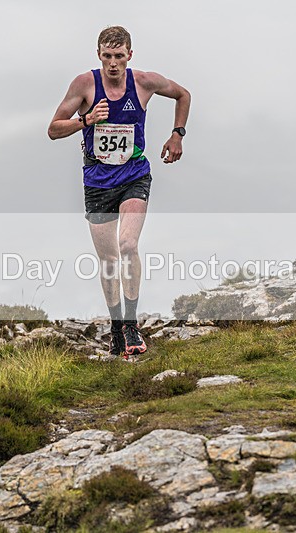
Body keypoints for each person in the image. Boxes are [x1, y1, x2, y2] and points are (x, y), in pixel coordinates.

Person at [48, 26, 190, 359]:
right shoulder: (84, 85)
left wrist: (177, 135)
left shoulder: (144, 82)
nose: (113, 63)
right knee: (109, 260)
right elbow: (53, 130)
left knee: (128, 244)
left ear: (130, 54)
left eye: (119, 56)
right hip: (97, 180)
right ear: (99, 55)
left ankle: (130, 325)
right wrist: (85, 120)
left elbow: (184, 94)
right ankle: (115, 327)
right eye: (107, 56)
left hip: (134, 175)